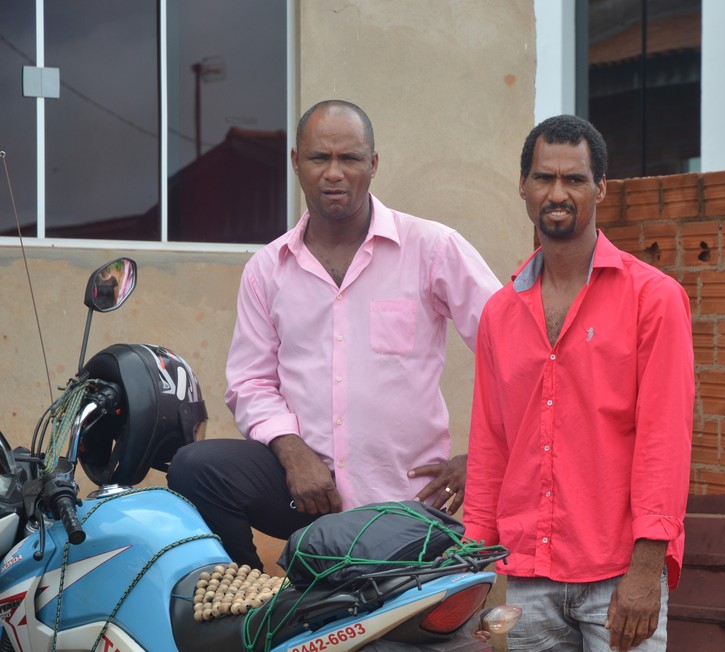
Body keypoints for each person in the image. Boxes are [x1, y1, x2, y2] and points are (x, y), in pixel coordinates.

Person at [167, 100, 501, 570]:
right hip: (308, 494)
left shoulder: (432, 249)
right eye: (319, 158)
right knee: (195, 467)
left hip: (402, 503)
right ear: (296, 162)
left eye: (350, 158)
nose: (334, 173)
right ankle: (247, 596)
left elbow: (512, 349)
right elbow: (250, 382)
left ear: (374, 164)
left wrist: (480, 460)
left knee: (331, 571)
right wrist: (291, 451)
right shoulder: (268, 269)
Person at [463, 115, 695, 652]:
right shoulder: (499, 312)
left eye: (574, 179)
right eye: (544, 178)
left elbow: (664, 441)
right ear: (523, 186)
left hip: (619, 576)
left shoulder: (653, 299)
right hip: (528, 577)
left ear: (600, 189)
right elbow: (491, 445)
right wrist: (473, 569)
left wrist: (646, 570)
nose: (557, 193)